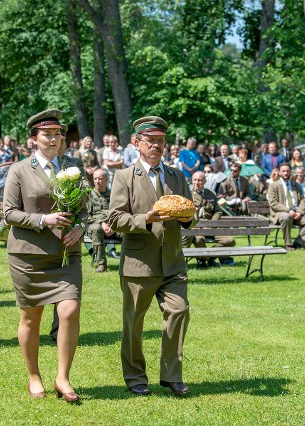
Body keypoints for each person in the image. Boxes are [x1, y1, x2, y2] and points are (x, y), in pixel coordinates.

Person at [108, 115, 196, 397]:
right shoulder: (123, 177)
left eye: (160, 140)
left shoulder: (176, 175)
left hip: (172, 261)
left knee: (179, 311)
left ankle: (172, 374)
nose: (156, 145)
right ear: (137, 143)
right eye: (150, 140)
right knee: (134, 323)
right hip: (138, 263)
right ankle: (135, 377)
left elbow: (190, 215)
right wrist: (145, 218)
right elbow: (115, 218)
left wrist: (187, 217)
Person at [3, 109, 85, 402]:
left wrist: (81, 226)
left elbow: (86, 208)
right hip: (29, 256)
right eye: (47, 135)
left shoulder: (74, 168)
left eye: (57, 134)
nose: (53, 139)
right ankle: (34, 376)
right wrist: (43, 220)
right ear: (34, 139)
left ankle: (63, 377)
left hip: (65, 253)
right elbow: (9, 212)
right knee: (31, 318)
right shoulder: (19, 170)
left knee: (70, 309)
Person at [183, 171, 235, 268]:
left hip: (212, 227)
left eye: (199, 180)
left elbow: (218, 211)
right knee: (199, 240)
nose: (196, 182)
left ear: (205, 181)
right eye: (194, 180)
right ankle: (205, 259)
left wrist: (212, 223)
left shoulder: (211, 194)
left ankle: (208, 257)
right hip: (197, 228)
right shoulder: (188, 195)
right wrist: (200, 225)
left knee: (230, 240)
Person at [267, 163, 305, 250]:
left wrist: (300, 212)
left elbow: (303, 200)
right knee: (286, 217)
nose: (285, 173)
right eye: (283, 171)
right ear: (279, 172)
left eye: (287, 171)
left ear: (290, 172)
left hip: (296, 213)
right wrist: (288, 210)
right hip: (281, 213)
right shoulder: (273, 186)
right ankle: (288, 244)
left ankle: (298, 243)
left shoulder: (296, 185)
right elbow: (273, 203)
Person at [87, 168, 120, 273]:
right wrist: (101, 224)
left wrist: (114, 226)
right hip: (95, 225)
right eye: (95, 178)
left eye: (100, 178)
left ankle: (130, 263)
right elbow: (86, 216)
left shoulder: (114, 195)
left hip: (114, 227)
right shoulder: (88, 195)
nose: (97, 181)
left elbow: (121, 213)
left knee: (130, 230)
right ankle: (101, 264)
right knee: (96, 229)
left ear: (107, 179)